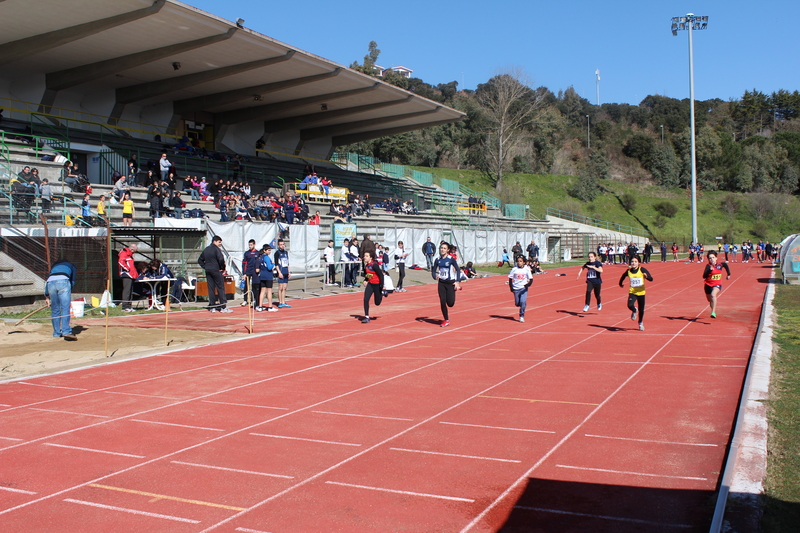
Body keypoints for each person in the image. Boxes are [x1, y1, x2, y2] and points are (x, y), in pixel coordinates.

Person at [44, 259, 78, 340]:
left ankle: (56, 332)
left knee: (55, 309)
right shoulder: (71, 265)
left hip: (51, 284)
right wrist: (69, 289)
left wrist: (46, 296)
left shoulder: (54, 267)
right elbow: (73, 280)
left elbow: (48, 281)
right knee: (65, 308)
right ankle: (66, 331)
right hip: (63, 282)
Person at [619, 256, 653, 331]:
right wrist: (620, 283)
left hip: (641, 292)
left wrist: (646, 277)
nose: (633, 263)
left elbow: (651, 279)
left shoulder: (642, 269)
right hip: (633, 292)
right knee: (630, 305)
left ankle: (640, 323)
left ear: (639, 263)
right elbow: (623, 276)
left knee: (641, 310)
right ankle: (634, 310)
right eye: (632, 261)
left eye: (635, 261)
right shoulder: (628, 271)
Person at [198, 235, 232, 313]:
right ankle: (223, 307)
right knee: (220, 288)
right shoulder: (217, 250)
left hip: (208, 271)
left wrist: (205, 267)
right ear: (215, 241)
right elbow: (221, 259)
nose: (220, 244)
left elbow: (200, 260)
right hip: (216, 271)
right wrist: (222, 268)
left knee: (211, 289)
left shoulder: (206, 249)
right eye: (219, 242)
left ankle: (212, 307)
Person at [433, 242, 461, 327]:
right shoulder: (437, 259)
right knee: (442, 301)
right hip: (441, 283)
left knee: (450, 303)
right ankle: (446, 319)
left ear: (448, 250)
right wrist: (435, 276)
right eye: (441, 248)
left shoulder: (451, 259)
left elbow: (458, 270)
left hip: (450, 283)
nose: (442, 249)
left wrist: (457, 281)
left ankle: (454, 290)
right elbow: (433, 270)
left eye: (444, 248)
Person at [703, 251, 731, 319]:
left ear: (716, 258)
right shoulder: (708, 266)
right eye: (710, 258)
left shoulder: (720, 265)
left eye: (713, 257)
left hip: (717, 285)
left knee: (713, 295)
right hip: (708, 285)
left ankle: (713, 312)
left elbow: (726, 265)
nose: (711, 259)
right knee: (710, 301)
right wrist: (709, 270)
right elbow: (704, 276)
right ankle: (713, 309)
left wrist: (728, 274)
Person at [360, 250, 385, 323]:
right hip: (370, 285)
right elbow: (368, 275)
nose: (365, 257)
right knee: (365, 299)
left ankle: (382, 293)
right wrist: (365, 280)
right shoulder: (366, 266)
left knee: (377, 303)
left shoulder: (374, 265)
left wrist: (382, 286)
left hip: (377, 285)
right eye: (364, 256)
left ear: (371, 258)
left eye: (366, 256)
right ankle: (367, 316)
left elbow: (381, 275)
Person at [508, 254, 533, 323]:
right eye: (518, 261)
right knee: (517, 303)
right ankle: (521, 305)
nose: (519, 262)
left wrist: (527, 285)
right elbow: (510, 279)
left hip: (523, 288)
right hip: (516, 288)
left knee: (523, 302)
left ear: (524, 262)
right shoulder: (514, 269)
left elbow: (531, 279)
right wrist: (511, 287)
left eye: (521, 261)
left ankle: (521, 315)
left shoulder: (526, 269)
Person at [255, 244, 278, 312]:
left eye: (270, 250)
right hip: (268, 276)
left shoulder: (261, 257)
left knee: (262, 291)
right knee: (269, 291)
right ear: (264, 250)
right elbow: (269, 267)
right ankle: (270, 307)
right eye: (268, 250)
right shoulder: (266, 257)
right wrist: (273, 263)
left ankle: (260, 306)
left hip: (262, 275)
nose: (269, 251)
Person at [118, 243, 138, 312]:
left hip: (131, 275)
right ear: (132, 249)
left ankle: (129, 306)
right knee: (126, 291)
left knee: (130, 291)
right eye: (134, 251)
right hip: (127, 275)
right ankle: (125, 307)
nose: (134, 252)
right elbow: (121, 262)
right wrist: (127, 269)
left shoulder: (130, 255)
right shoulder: (124, 253)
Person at [241, 239, 260, 307]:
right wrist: (244, 273)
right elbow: (244, 263)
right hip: (248, 271)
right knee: (246, 286)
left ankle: (253, 300)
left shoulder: (257, 253)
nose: (250, 246)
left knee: (254, 286)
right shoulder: (247, 253)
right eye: (249, 245)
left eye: (251, 245)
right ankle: (245, 300)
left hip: (255, 272)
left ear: (254, 245)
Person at [274, 239, 291, 308]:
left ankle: (283, 301)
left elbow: (288, 263)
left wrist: (289, 272)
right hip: (281, 272)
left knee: (284, 287)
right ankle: (280, 302)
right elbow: (276, 264)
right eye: (280, 244)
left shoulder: (286, 252)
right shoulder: (277, 253)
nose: (282, 246)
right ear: (278, 245)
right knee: (280, 287)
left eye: (283, 244)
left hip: (286, 271)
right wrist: (279, 272)